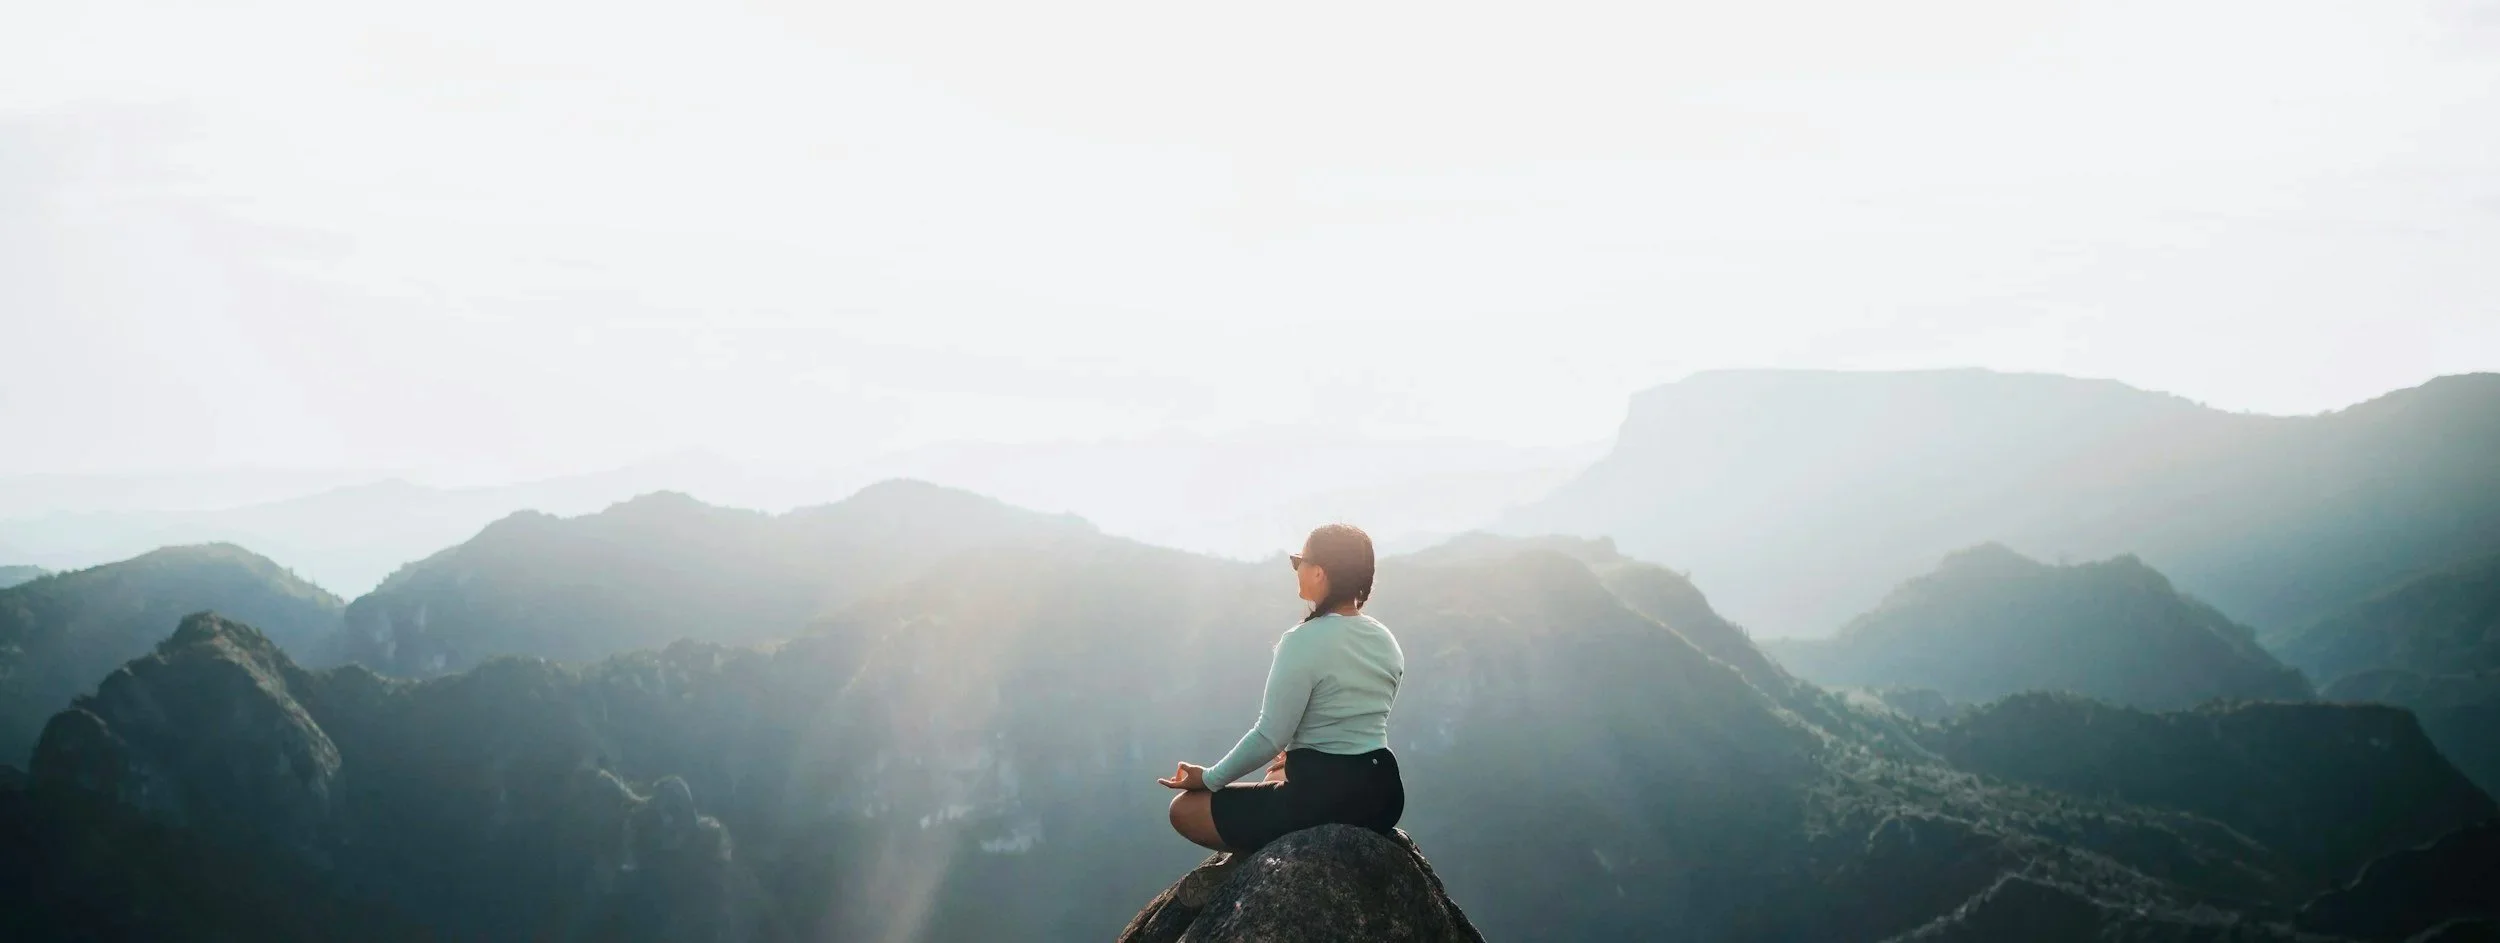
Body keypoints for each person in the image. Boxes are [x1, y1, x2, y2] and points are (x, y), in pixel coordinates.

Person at [1159, 523, 1406, 855]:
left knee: (1183, 809)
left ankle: (1260, 853)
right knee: (1278, 768)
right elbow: (1353, 720)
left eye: (1298, 561)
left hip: (1323, 797)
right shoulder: (1386, 641)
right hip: (1384, 794)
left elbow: (1269, 736)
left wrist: (1208, 778)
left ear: (1319, 573)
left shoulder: (1302, 641)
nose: (1296, 568)